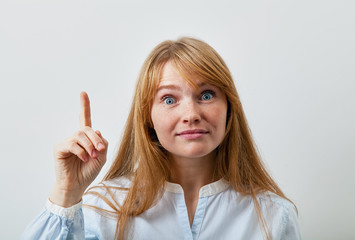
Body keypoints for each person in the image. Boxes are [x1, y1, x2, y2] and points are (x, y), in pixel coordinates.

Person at [21, 37, 301, 240]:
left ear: (229, 109)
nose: (191, 114)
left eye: (206, 95)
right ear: (147, 116)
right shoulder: (103, 209)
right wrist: (67, 192)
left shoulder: (273, 216)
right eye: (169, 99)